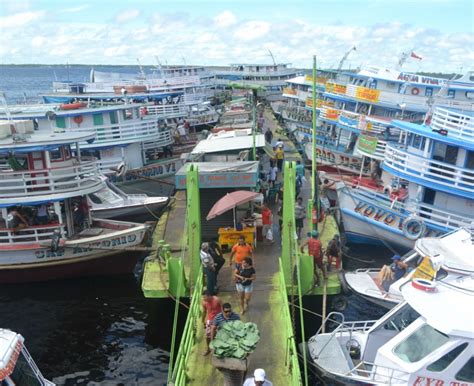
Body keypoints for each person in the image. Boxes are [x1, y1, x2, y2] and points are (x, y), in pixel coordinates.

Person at [201, 290, 222, 356]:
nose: (204, 299)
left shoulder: (217, 300)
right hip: (210, 320)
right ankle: (208, 349)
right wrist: (203, 320)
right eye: (203, 297)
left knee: (220, 336)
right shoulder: (204, 303)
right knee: (207, 336)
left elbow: (224, 308)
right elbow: (204, 312)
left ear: (209, 296)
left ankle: (219, 349)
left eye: (205, 297)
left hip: (219, 320)